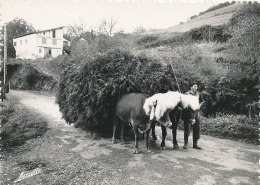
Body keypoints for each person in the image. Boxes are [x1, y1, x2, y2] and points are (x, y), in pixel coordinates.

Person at [183, 82, 203, 150]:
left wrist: (199, 106)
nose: (196, 88)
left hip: (196, 113)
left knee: (197, 128)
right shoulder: (186, 94)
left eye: (196, 86)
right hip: (188, 113)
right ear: (191, 87)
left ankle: (195, 144)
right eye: (194, 86)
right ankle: (185, 143)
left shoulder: (198, 94)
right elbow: (183, 103)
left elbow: (202, 101)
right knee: (187, 128)